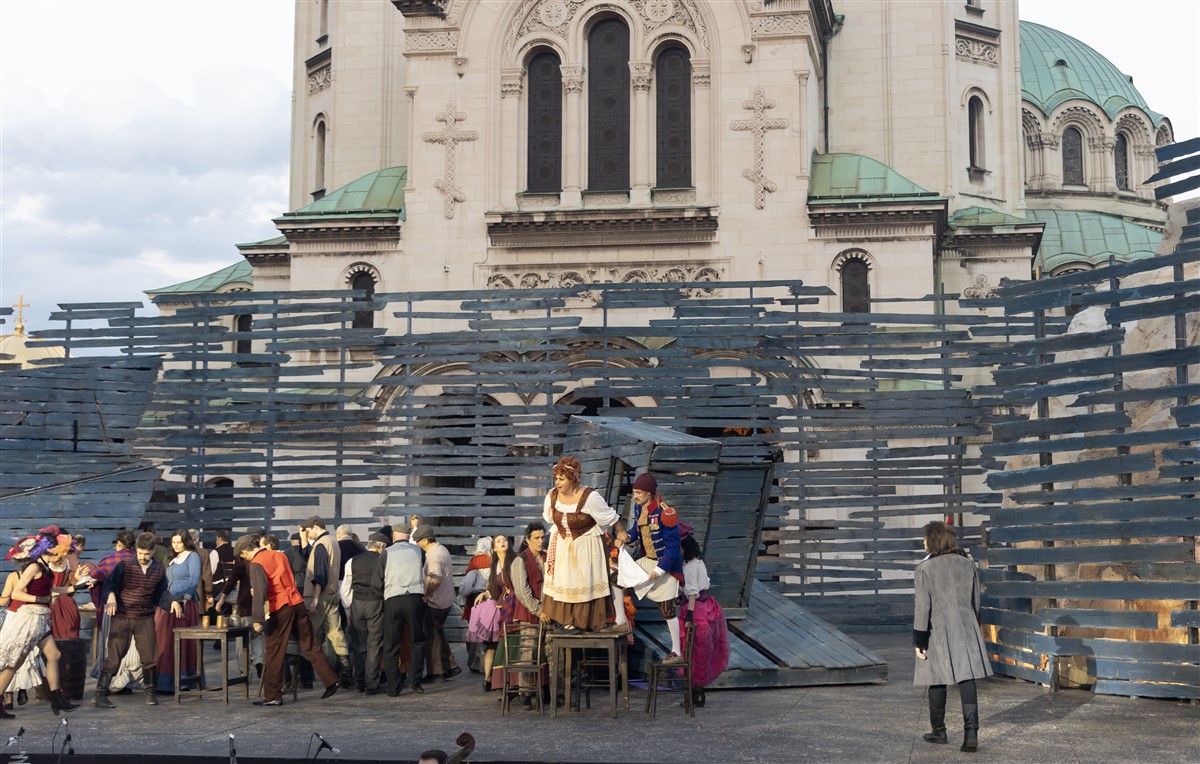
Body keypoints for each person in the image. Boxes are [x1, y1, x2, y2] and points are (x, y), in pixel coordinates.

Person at [913, 520, 991, 753]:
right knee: (967, 679)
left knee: (936, 678)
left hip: (937, 630)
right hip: (965, 629)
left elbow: (922, 608)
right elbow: (975, 601)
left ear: (933, 540)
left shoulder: (924, 569)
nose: (923, 542)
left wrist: (920, 640)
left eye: (925, 538)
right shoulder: (968, 565)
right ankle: (971, 733)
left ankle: (939, 731)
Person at [236, 535, 340, 706]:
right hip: (296, 602)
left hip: (281, 607)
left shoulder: (256, 564)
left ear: (245, 551)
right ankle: (331, 680)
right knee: (310, 643)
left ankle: (273, 695)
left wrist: (257, 619)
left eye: (243, 556)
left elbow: (260, 592)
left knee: (274, 650)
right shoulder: (280, 554)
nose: (244, 559)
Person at [92, 532, 182, 709]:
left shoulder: (157, 570)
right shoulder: (124, 566)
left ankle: (150, 692)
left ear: (153, 551)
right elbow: (110, 585)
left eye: (146, 554)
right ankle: (100, 694)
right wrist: (110, 597)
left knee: (149, 656)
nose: (143, 557)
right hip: (123, 616)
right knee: (114, 656)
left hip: (145, 618)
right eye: (140, 553)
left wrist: (172, 602)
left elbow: (161, 593)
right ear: (135, 551)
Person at [0, 530, 83, 718]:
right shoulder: (34, 567)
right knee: (14, 663)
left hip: (40, 619)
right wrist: (40, 598)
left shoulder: (46, 569)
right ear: (50, 550)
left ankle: (57, 699)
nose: (62, 557)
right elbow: (16, 593)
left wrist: (78, 586)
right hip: (29, 618)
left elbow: (54, 590)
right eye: (60, 552)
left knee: (54, 654)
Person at [541, 456, 630, 631]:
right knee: (565, 581)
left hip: (585, 545)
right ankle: (568, 620)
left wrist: (620, 531)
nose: (557, 482)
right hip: (562, 545)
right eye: (556, 478)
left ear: (572, 479)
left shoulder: (589, 497)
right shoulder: (552, 496)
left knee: (581, 582)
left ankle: (585, 620)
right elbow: (550, 517)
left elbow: (609, 516)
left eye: (562, 479)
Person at [628, 473, 684, 658]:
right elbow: (637, 529)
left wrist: (660, 569)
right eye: (635, 492)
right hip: (647, 560)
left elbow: (673, 548)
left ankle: (676, 650)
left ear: (649, 493)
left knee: (666, 610)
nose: (635, 496)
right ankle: (621, 619)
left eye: (639, 492)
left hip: (664, 566)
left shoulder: (664, 513)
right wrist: (626, 537)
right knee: (618, 579)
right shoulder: (639, 508)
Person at [678, 532, 728, 709]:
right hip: (708, 606)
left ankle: (694, 691)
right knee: (702, 652)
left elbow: (692, 592)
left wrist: (689, 614)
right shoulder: (700, 563)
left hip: (697, 609)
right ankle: (698, 692)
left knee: (692, 650)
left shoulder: (690, 566)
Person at [153, 529, 202, 693]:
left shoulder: (192, 556)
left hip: (184, 603)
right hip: (169, 602)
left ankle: (183, 680)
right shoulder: (173, 558)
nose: (176, 545)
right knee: (164, 639)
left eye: (179, 542)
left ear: (186, 541)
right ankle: (164, 682)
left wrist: (187, 597)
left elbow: (195, 578)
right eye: (173, 542)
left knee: (182, 642)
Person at [379, 527, 426, 696]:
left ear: (393, 536)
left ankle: (393, 687)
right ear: (408, 536)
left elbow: (378, 580)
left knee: (391, 644)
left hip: (393, 599)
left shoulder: (386, 553)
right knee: (417, 641)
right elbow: (425, 572)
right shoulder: (419, 551)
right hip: (414, 597)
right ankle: (415, 681)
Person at [302, 516, 350, 676]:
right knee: (335, 633)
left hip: (320, 596)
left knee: (308, 634)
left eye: (308, 531)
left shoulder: (321, 544)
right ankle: (346, 673)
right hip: (332, 592)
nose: (307, 535)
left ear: (315, 527)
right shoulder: (332, 541)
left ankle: (307, 675)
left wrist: (315, 598)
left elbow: (320, 574)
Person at [411, 525, 461, 681]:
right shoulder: (441, 549)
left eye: (418, 541)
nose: (417, 544)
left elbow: (435, 579)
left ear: (425, 540)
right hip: (444, 599)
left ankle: (436, 673)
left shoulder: (434, 555)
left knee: (432, 637)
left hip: (436, 601)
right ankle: (451, 666)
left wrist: (426, 595)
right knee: (438, 633)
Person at [342, 532, 387, 694]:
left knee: (359, 645)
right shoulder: (383, 561)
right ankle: (372, 684)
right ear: (381, 546)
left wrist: (348, 609)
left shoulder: (352, 561)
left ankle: (359, 681)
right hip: (375, 602)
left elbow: (345, 589)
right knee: (374, 644)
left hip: (357, 603)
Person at [472, 535, 516, 692]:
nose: (503, 542)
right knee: (492, 645)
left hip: (513, 606)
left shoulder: (515, 560)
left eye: (504, 540)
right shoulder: (495, 564)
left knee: (507, 644)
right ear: (494, 548)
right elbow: (494, 589)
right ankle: (488, 679)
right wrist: (485, 594)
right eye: (499, 541)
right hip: (500, 608)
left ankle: (505, 679)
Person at [510, 522, 547, 710]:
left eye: (542, 537)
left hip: (551, 613)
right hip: (530, 613)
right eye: (536, 538)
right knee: (528, 653)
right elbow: (522, 592)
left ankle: (551, 690)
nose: (540, 541)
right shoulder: (520, 560)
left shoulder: (549, 557)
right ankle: (525, 693)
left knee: (552, 653)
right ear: (527, 540)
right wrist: (539, 610)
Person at [457, 536, 492, 674]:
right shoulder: (495, 561)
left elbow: (467, 584)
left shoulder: (476, 561)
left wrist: (463, 595)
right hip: (490, 597)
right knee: (489, 630)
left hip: (476, 598)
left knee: (474, 631)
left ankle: (475, 663)